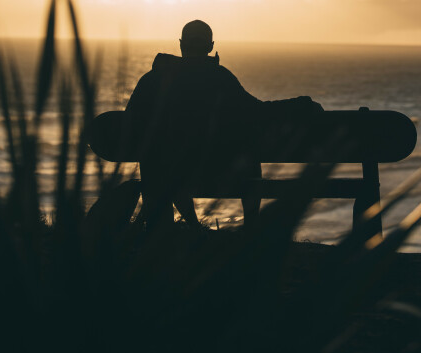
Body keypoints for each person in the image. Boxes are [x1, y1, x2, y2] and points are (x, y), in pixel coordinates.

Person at [125, 19, 323, 233]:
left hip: (170, 177)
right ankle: (251, 227)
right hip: (218, 170)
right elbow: (259, 113)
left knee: (161, 157)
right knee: (249, 155)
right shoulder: (221, 79)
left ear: (181, 44)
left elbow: (129, 126)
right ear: (210, 46)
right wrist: (302, 105)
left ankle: (189, 225)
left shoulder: (152, 80)